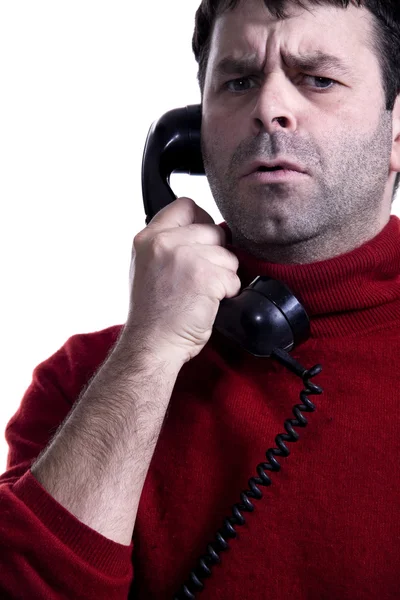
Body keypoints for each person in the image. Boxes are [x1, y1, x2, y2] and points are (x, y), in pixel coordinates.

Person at [1, 0, 400, 598]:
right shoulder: (84, 384)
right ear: (191, 134)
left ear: (396, 134)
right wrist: (150, 350)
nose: (269, 108)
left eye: (318, 79)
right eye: (238, 81)